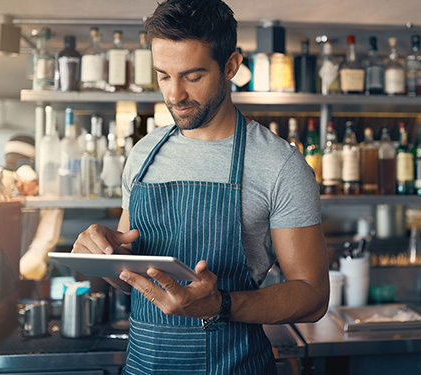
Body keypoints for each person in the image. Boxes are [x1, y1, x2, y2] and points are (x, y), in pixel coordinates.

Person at [71, 0, 329, 373]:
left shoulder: (279, 165)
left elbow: (313, 296)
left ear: (231, 66)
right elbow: (134, 281)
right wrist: (102, 258)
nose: (174, 95)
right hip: (144, 365)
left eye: (192, 76)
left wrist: (220, 304)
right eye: (163, 75)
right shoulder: (143, 154)